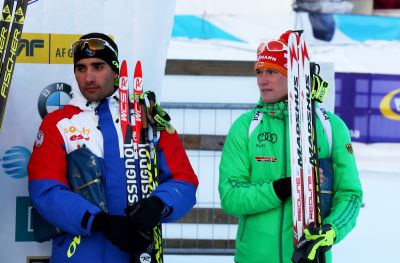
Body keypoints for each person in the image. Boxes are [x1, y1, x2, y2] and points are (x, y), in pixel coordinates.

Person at [28, 32, 198, 262]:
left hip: (137, 254)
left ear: (115, 71)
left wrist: (158, 205)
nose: (88, 77)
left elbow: (184, 181)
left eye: (98, 67)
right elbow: (45, 191)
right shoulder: (57, 123)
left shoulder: (146, 118)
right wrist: (98, 221)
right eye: (81, 68)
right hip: (77, 255)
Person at [218, 31, 363, 263]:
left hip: (309, 257)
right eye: (259, 72)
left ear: (294, 75)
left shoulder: (330, 127)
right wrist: (280, 189)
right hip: (254, 257)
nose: (261, 80)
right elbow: (231, 198)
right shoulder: (246, 127)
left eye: (272, 72)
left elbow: (350, 195)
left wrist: (331, 231)